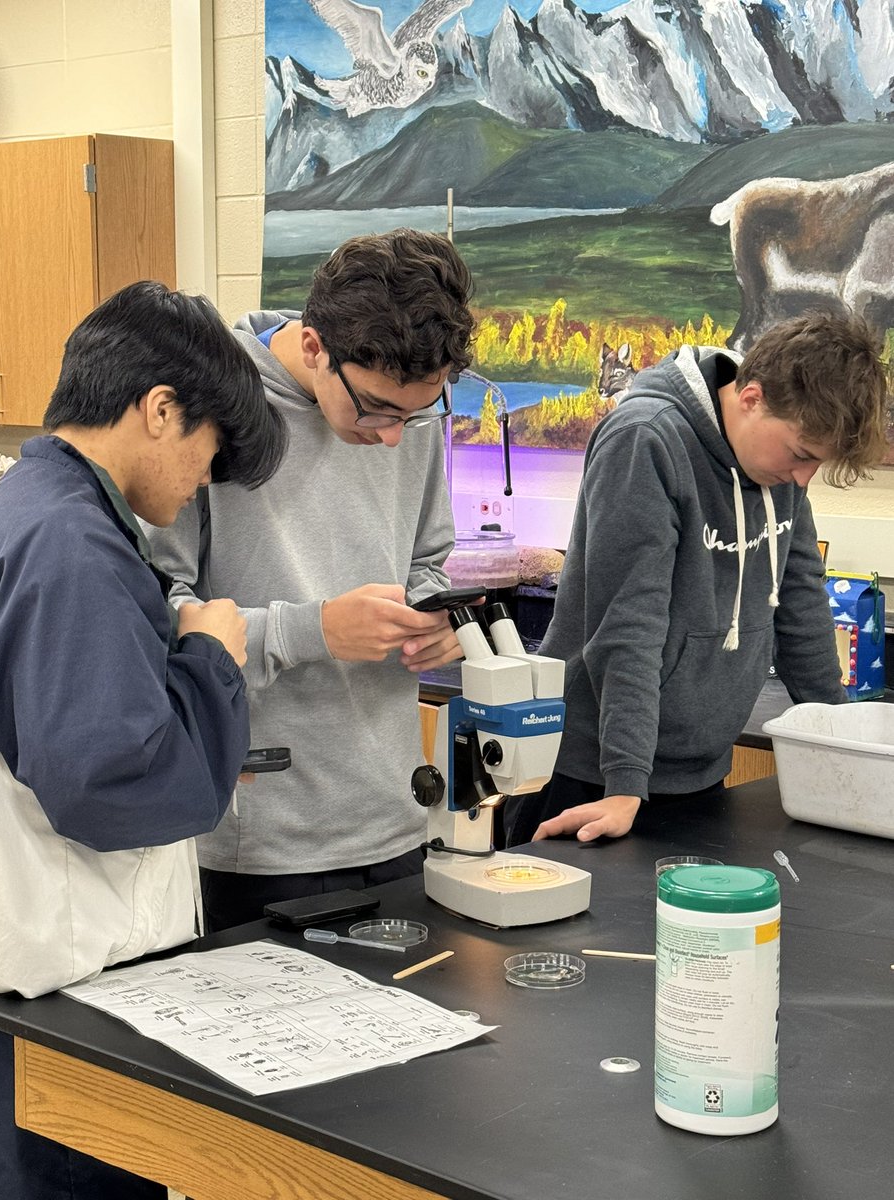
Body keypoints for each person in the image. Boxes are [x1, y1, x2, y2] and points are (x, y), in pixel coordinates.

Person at [0, 280, 286, 1198]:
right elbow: (116, 786)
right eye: (208, 450)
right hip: (68, 982)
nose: (205, 478)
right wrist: (212, 657)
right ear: (160, 410)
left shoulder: (31, 507)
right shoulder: (73, 548)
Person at [145, 228, 476, 932]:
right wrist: (312, 630)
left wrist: (431, 618)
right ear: (315, 345)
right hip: (257, 840)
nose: (393, 437)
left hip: (394, 817)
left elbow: (424, 561)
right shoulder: (204, 409)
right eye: (379, 410)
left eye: (416, 416)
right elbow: (157, 616)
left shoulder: (406, 409)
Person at [505, 311, 889, 847]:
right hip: (594, 775)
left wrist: (839, 745)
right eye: (801, 455)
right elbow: (628, 626)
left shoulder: (774, 467)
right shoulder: (646, 440)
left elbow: (799, 600)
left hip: (698, 773)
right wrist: (625, 785)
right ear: (751, 397)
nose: (804, 479)